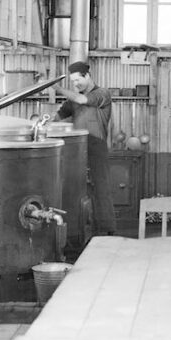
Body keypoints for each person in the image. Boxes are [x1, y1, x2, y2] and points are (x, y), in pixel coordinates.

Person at [54, 61, 116, 235]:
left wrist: (57, 88)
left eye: (78, 80)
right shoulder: (73, 100)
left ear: (87, 76)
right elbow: (57, 117)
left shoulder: (102, 94)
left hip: (97, 146)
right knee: (77, 188)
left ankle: (106, 231)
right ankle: (80, 231)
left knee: (101, 188)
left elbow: (82, 99)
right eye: (73, 81)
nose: (76, 84)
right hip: (76, 148)